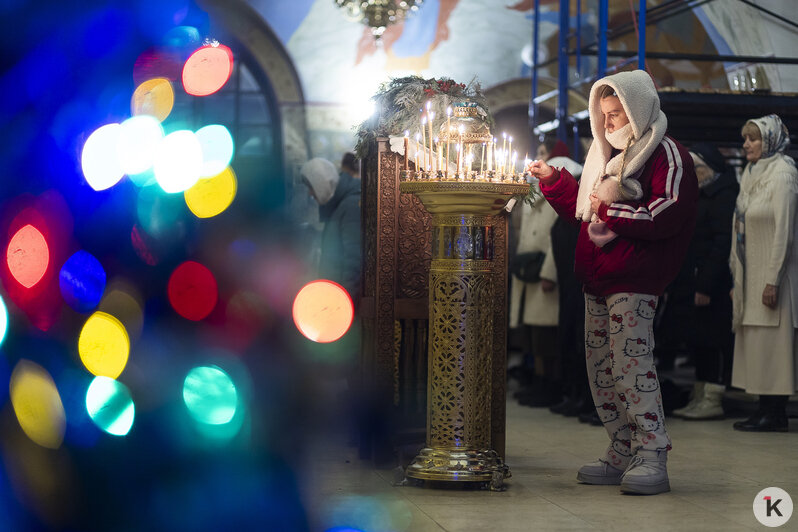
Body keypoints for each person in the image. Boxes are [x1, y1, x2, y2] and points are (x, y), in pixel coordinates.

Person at [527, 70, 698, 495]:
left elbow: (667, 211)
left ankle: (651, 452)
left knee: (631, 366)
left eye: (616, 113)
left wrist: (612, 212)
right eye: (603, 115)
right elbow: (585, 209)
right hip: (596, 276)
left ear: (638, 109)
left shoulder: (667, 154)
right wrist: (554, 182)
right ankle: (621, 447)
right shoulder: (604, 155)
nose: (608, 123)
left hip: (635, 277)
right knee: (601, 369)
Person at [730, 114, 798, 432]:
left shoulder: (784, 174)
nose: (747, 145)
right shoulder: (751, 172)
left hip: (775, 277)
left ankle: (775, 411)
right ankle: (763, 408)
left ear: (769, 140)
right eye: (745, 139)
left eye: (753, 139)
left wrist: (773, 278)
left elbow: (785, 232)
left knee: (774, 345)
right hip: (751, 271)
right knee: (757, 343)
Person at [671, 143, 738, 420]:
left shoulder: (723, 195)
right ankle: (699, 395)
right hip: (694, 280)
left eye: (698, 169)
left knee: (713, 340)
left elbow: (722, 244)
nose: (695, 175)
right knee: (698, 339)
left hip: (713, 286)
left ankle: (713, 397)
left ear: (711, 169)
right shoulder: (699, 195)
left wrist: (706, 285)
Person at [300, 157, 362, 302]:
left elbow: (353, 261)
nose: (310, 193)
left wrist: (345, 303)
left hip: (343, 300)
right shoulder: (338, 204)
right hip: (336, 295)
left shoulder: (350, 205)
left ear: (321, 182)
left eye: (311, 187)